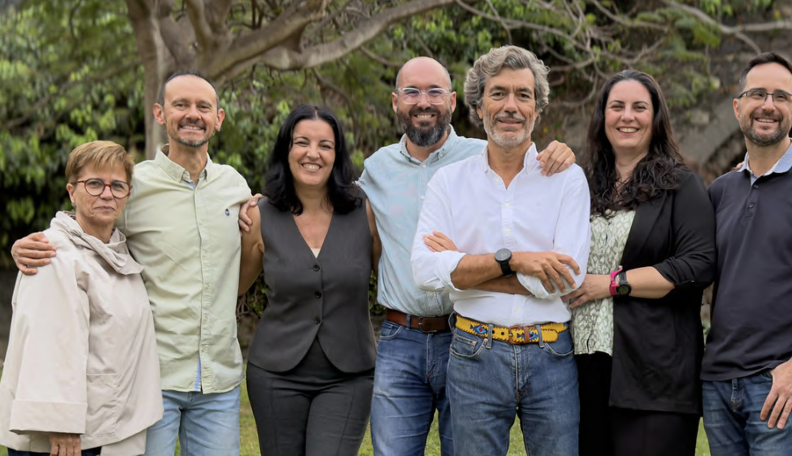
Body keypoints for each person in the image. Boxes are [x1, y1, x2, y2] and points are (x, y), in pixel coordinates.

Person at [235, 56, 576, 456]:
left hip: (466, 334)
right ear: (396, 102)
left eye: (434, 92)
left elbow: (524, 169)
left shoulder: (484, 158)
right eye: (412, 92)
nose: (423, 101)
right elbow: (323, 198)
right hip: (400, 338)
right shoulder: (376, 169)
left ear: (452, 101)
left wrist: (558, 152)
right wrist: (263, 202)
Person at [10, 71, 253, 456]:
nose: (193, 114)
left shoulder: (234, 186)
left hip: (219, 380)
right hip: (150, 378)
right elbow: (86, 229)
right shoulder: (133, 185)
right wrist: (27, 245)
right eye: (180, 105)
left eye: (203, 106)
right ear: (160, 113)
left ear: (218, 118)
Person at [410, 45, 591, 456]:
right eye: (499, 94)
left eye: (523, 95)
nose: (511, 106)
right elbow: (424, 270)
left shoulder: (567, 180)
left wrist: (468, 268)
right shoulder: (448, 183)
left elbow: (566, 279)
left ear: (537, 109)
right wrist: (517, 260)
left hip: (551, 355)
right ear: (477, 105)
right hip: (475, 352)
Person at [701, 52, 792, 455]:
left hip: (780, 383)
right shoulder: (720, 191)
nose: (768, 105)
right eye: (757, 94)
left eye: (781, 97)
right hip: (717, 382)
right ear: (737, 108)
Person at [563, 70, 716, 456]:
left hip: (654, 373)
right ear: (602, 117)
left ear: (656, 118)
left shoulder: (681, 185)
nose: (627, 116)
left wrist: (612, 283)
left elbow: (697, 264)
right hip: (583, 366)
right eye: (617, 106)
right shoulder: (582, 184)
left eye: (639, 107)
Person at [0, 141, 163, 456]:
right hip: (64, 439)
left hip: (101, 428)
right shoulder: (53, 254)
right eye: (94, 184)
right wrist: (62, 425)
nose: (107, 194)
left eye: (117, 185)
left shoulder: (119, 253)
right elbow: (49, 343)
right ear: (72, 191)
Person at [238, 104, 379, 456]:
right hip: (274, 374)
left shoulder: (366, 211)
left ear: (337, 154)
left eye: (325, 145)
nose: (312, 153)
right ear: (286, 150)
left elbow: (395, 279)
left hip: (349, 375)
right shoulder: (259, 216)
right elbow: (233, 287)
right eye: (302, 142)